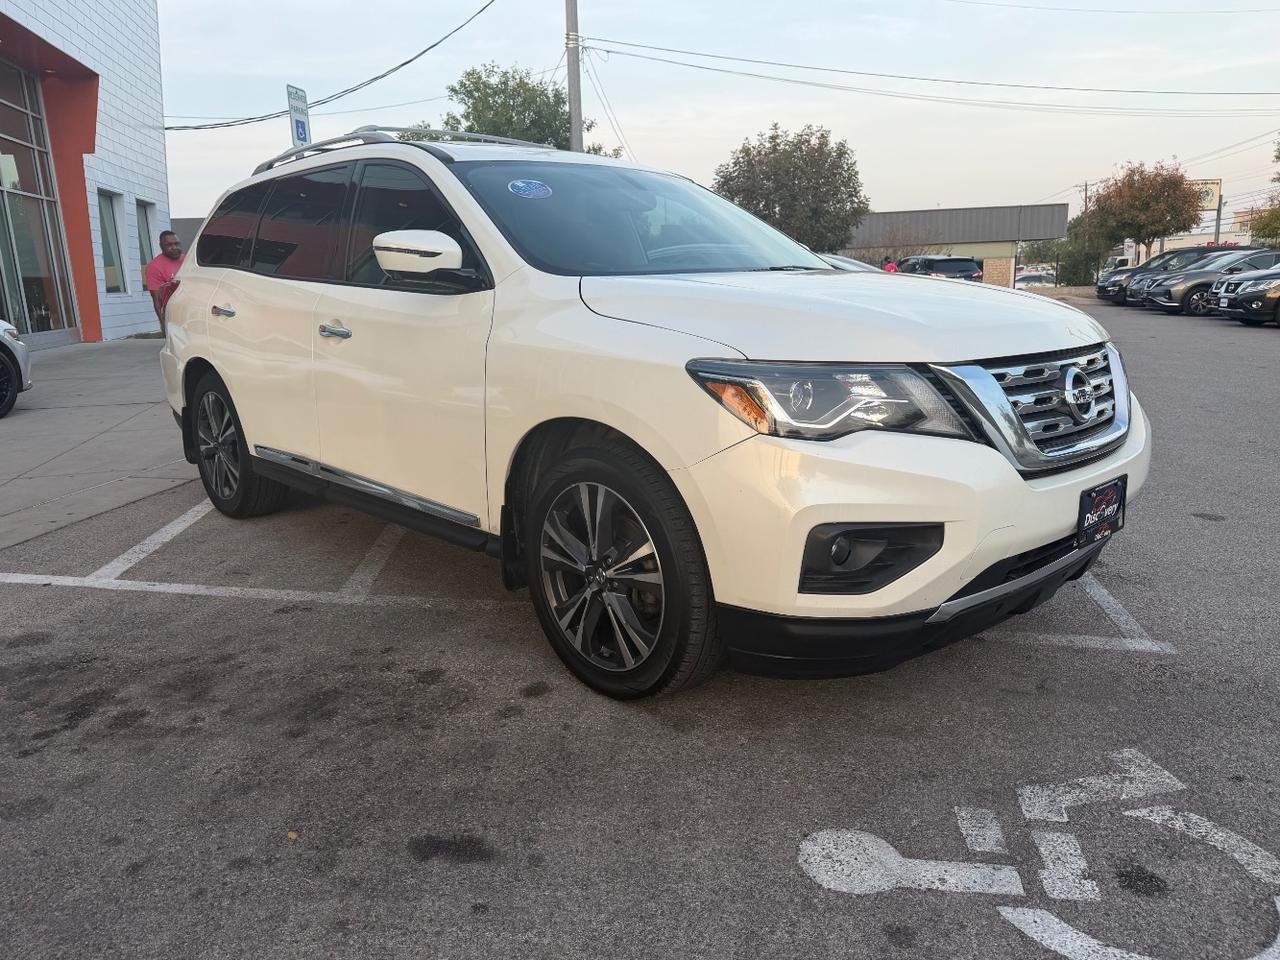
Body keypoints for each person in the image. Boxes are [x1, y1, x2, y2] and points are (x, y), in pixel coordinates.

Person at [144, 230, 185, 332]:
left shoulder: (188, 260)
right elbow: (157, 299)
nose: (174, 247)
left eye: (176, 244)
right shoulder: (154, 267)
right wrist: (163, 322)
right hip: (173, 315)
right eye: (169, 245)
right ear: (161, 246)